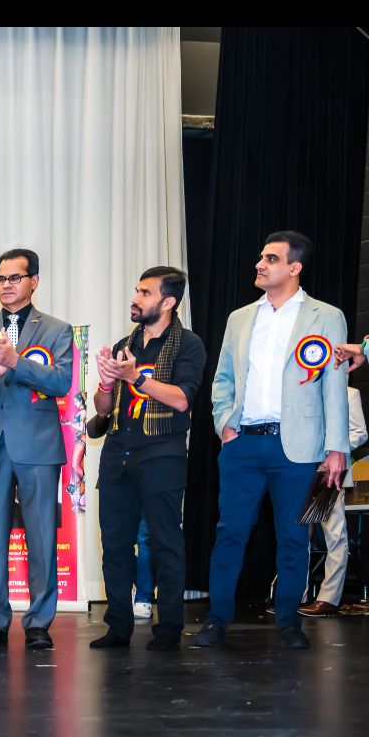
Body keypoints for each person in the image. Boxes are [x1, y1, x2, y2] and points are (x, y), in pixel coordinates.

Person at [193, 231, 349, 650]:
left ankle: (288, 624)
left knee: (294, 539)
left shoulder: (326, 316)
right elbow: (223, 379)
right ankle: (216, 619)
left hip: (297, 447)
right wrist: (224, 425)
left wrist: (336, 448)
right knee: (229, 534)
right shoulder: (240, 318)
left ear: (295, 267)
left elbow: (334, 387)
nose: (259, 264)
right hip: (243, 444)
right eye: (261, 257)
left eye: (271, 258)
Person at [0, 247, 73, 650]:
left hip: (38, 445)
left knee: (42, 536)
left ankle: (38, 622)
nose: (6, 285)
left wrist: (16, 361)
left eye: (15, 278)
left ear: (33, 281)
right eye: (1, 278)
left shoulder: (56, 329)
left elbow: (60, 382)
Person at [88, 267, 206, 652]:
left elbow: (182, 399)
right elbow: (103, 408)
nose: (135, 299)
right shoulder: (126, 344)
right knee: (115, 544)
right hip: (117, 453)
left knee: (165, 542)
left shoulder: (188, 345)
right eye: (136, 291)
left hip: (161, 454)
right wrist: (107, 382)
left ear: (168, 302)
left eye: (145, 293)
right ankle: (118, 626)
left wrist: (135, 376)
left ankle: (168, 628)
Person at [298, 385, 367, 616]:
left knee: (335, 535)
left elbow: (360, 433)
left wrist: (333, 449)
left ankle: (329, 598)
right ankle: (297, 594)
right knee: (298, 536)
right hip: (300, 471)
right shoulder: (302, 392)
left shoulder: (349, 393)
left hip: (331, 473)